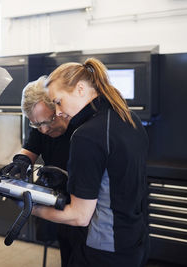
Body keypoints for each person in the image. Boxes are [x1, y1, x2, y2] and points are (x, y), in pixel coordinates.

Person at [32, 58, 149, 267]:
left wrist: (32, 208)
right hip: (134, 240)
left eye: (58, 101)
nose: (57, 111)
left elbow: (79, 217)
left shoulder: (86, 135)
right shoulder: (130, 118)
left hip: (103, 249)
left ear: (80, 88)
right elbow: (115, 181)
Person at [0, 76, 87, 267]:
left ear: (59, 107)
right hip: (61, 204)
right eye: (37, 124)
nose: (44, 130)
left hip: (87, 205)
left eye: (48, 121)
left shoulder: (83, 129)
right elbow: (28, 152)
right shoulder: (41, 127)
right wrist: (20, 163)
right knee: (68, 253)